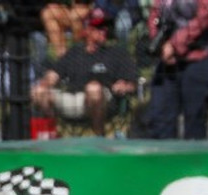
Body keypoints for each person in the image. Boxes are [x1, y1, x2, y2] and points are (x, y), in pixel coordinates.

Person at [32, 7, 138, 136]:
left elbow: (133, 85)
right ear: (87, 30)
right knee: (39, 91)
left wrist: (124, 86)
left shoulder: (116, 53)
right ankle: (54, 136)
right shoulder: (74, 53)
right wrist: (46, 83)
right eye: (98, 28)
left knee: (93, 88)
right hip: (74, 100)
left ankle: (99, 138)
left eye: (105, 27)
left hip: (103, 100)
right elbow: (53, 75)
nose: (103, 31)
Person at [147, 0, 208, 138]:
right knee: (160, 119)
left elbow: (205, 17)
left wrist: (174, 45)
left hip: (197, 58)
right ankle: (164, 158)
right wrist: (160, 44)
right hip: (167, 62)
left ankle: (194, 159)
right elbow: (154, 14)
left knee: (194, 122)